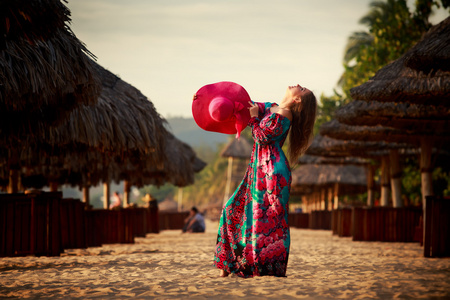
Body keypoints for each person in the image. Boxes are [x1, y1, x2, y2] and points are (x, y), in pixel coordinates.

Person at [206, 83, 317, 278]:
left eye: (303, 89)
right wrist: (206, 99)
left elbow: (261, 136)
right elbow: (242, 104)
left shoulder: (285, 115)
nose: (299, 85)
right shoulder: (270, 107)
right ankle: (229, 265)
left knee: (266, 221)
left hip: (272, 173)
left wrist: (254, 119)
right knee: (231, 209)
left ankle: (264, 267)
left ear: (297, 99)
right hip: (257, 170)